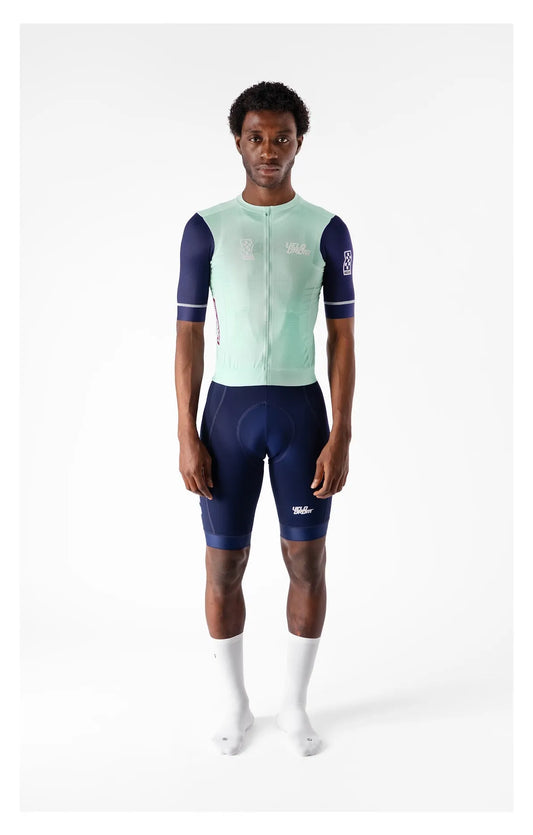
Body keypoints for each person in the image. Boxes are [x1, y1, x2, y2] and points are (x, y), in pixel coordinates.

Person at [174, 81, 355, 756]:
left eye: (282, 137)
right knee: (224, 564)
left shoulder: (327, 230)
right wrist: (185, 432)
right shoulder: (207, 228)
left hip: (302, 413)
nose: (269, 149)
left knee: (306, 559)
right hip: (228, 414)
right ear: (238, 141)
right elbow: (188, 335)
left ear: (299, 143)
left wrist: (342, 431)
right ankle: (234, 703)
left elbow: (343, 339)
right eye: (256, 136)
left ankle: (295, 707)